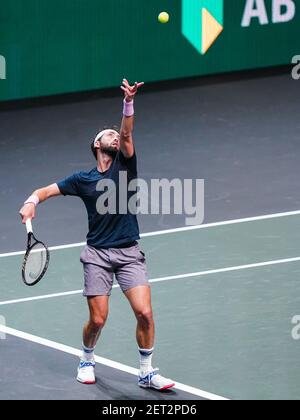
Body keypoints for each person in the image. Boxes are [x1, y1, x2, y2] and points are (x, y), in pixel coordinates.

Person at [19, 79, 175, 391]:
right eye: (109, 135)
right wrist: (31, 202)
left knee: (145, 313)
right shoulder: (82, 179)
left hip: (130, 252)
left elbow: (128, 132)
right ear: (96, 145)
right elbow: (46, 190)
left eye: (117, 135)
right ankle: (87, 358)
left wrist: (128, 103)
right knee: (98, 320)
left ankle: (146, 371)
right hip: (98, 256)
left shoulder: (125, 166)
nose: (116, 137)